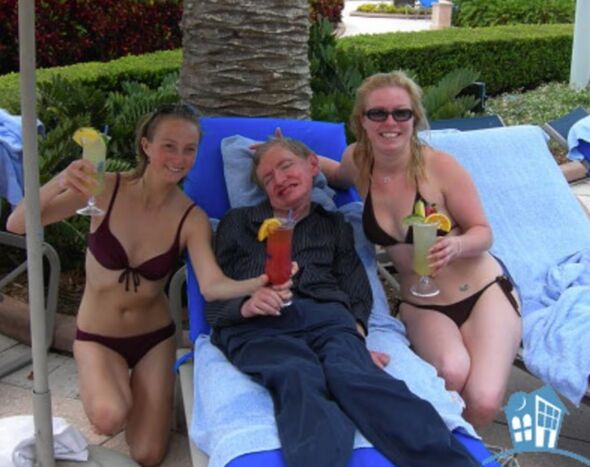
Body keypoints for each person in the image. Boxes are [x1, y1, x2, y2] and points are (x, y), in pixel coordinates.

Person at [6, 104, 271, 466]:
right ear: (146, 146)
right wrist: (62, 180)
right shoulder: (104, 189)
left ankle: (147, 396)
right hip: (98, 336)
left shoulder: (190, 217)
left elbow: (211, 285)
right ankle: (118, 388)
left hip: (153, 339)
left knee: (147, 454)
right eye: (168, 146)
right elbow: (19, 223)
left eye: (189, 149)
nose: (178, 158)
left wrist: (259, 283)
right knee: (109, 417)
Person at [205, 137, 480, 467]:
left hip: (328, 321)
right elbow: (214, 290)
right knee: (297, 375)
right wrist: (245, 306)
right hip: (259, 326)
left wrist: (357, 336)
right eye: (267, 177)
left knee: (356, 377)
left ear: (312, 166)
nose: (278, 179)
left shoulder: (333, 224)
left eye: (286, 166)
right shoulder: (238, 222)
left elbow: (355, 285)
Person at [319, 70, 522, 428]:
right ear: (361, 121)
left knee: (483, 399)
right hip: (422, 302)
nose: (390, 123)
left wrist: (457, 244)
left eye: (402, 113)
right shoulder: (359, 160)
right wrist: (295, 155)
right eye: (377, 113)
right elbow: (335, 175)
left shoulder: (439, 166)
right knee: (450, 372)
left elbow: (483, 232)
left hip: (481, 292)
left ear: (415, 118)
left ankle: (460, 449)